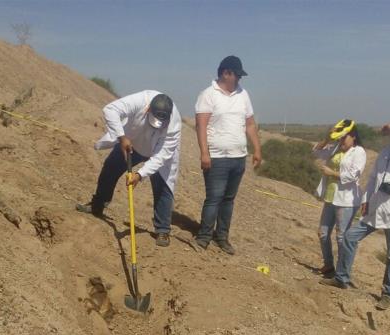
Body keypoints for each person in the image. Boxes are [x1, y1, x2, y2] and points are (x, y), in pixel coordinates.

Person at [321, 117, 390, 310]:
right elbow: (372, 178)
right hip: (376, 208)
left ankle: (388, 294)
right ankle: (341, 277)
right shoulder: (385, 152)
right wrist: (366, 200)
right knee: (350, 237)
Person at [77, 91, 181, 247]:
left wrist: (139, 175)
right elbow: (110, 110)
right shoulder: (139, 101)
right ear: (148, 110)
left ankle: (163, 230)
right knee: (111, 167)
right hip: (131, 141)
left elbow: (161, 156)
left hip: (157, 151)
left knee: (163, 186)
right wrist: (121, 137)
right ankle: (97, 205)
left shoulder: (174, 124)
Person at [193, 55, 262, 255]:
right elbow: (201, 126)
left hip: (238, 156)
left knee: (228, 200)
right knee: (214, 198)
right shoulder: (208, 95)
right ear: (226, 73)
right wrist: (204, 153)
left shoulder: (243, 94)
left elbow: (249, 124)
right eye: (237, 75)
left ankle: (222, 237)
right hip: (216, 156)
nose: (239, 79)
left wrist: (257, 149)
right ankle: (204, 237)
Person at [312, 119, 366, 278]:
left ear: (353, 136)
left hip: (347, 200)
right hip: (331, 196)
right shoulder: (335, 148)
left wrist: (332, 173)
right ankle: (329, 265)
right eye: (340, 137)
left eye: (345, 137)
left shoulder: (359, 152)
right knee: (323, 232)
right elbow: (316, 152)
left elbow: (354, 175)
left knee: (342, 236)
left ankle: (342, 272)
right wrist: (328, 138)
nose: (342, 140)